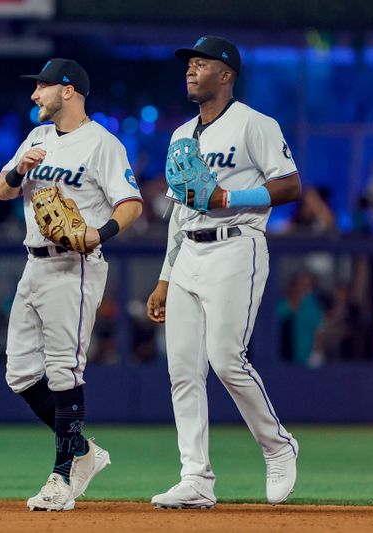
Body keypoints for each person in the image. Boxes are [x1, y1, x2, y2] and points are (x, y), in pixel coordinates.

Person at [146, 36, 302, 508]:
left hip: (237, 246)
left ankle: (278, 446)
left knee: (226, 358)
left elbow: (291, 185)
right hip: (188, 254)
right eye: (189, 64)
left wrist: (231, 198)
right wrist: (165, 276)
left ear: (226, 74)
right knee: (182, 371)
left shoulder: (254, 123)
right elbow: (180, 214)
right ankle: (195, 477)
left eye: (201, 64)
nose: (191, 70)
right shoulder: (179, 136)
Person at [0, 58, 143, 511]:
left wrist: (100, 233)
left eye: (42, 87)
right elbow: (2, 190)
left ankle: (61, 478)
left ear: (69, 90)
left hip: (74, 265)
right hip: (34, 263)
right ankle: (83, 451)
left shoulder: (102, 144)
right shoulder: (36, 137)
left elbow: (131, 203)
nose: (35, 95)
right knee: (19, 373)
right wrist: (20, 168)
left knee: (64, 369)